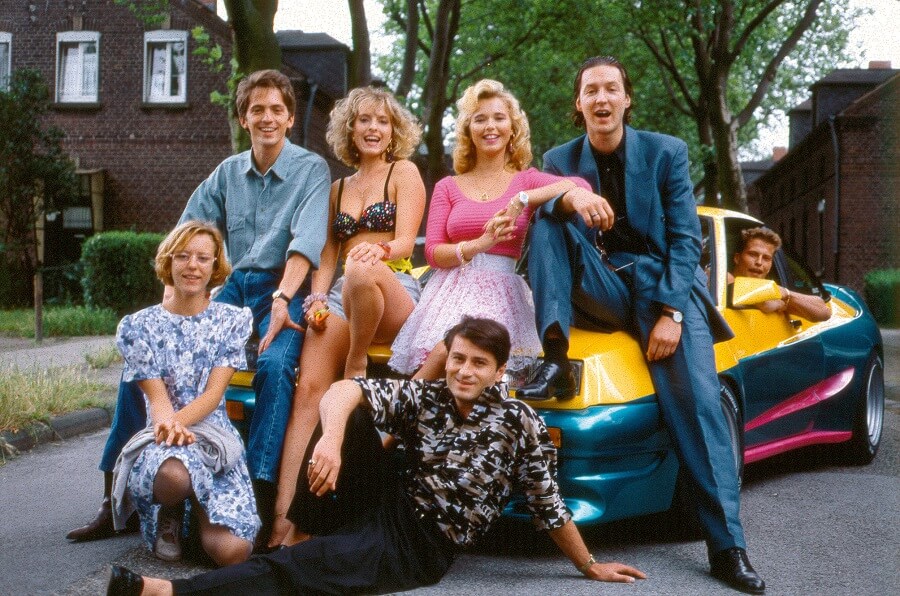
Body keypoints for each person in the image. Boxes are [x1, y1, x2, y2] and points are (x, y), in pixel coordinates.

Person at [106, 316, 646, 595]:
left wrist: (589, 565)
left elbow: (548, 504)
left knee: (303, 572)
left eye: (478, 363)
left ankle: (170, 593)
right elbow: (344, 390)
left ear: (499, 370)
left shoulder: (519, 422)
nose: (464, 371)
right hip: (384, 498)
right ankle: (303, 530)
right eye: (458, 358)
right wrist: (331, 442)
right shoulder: (429, 395)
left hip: (421, 541)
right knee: (353, 411)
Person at [517, 56, 765, 594]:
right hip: (602, 287)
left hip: (662, 288)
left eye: (611, 89)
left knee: (700, 408)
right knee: (547, 219)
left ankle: (728, 549)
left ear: (627, 99)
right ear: (578, 104)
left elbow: (685, 241)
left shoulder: (666, 152)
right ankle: (554, 356)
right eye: (591, 91)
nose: (601, 99)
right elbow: (546, 225)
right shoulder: (560, 159)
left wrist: (673, 314)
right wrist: (569, 195)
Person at [67, 69, 331, 547]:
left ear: (290, 118)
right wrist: (171, 304)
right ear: (243, 118)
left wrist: (282, 299)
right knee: (142, 361)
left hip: (282, 287)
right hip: (230, 287)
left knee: (275, 365)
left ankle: (260, 493)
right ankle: (113, 496)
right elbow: (184, 236)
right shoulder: (228, 173)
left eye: (277, 109)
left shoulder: (311, 169)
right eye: (257, 110)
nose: (267, 118)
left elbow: (306, 242)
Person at [268, 86, 426, 548]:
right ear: (350, 130)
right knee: (308, 393)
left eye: (382, 121)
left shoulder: (404, 172)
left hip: (393, 286)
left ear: (393, 130)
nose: (373, 128)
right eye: (364, 121)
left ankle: (356, 362)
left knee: (360, 267)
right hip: (344, 294)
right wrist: (317, 298)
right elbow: (327, 257)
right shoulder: (337, 189)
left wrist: (375, 252)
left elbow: (405, 241)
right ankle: (283, 522)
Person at [388, 79, 594, 380]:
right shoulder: (448, 186)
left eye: (499, 118)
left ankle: (401, 406)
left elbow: (579, 185)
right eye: (480, 119)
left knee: (475, 364)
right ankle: (401, 407)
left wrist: (522, 199)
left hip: (502, 294)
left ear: (513, 128)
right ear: (468, 130)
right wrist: (480, 244)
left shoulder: (526, 179)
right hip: (450, 292)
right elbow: (433, 253)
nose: (490, 127)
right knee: (444, 358)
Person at [109, 221, 258, 566]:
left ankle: (202, 515)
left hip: (212, 433)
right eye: (183, 256)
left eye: (203, 258)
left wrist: (178, 425)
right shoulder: (139, 327)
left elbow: (213, 394)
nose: (193, 266)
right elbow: (158, 400)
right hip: (164, 433)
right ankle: (172, 509)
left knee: (234, 553)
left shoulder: (231, 321)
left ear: (215, 265)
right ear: (168, 261)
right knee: (174, 477)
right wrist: (170, 430)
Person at [731, 227, 831, 322]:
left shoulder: (772, 293)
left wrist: (785, 293)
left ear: (770, 266)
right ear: (737, 258)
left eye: (766, 258)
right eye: (753, 254)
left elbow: (824, 312)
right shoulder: (724, 280)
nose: (759, 262)